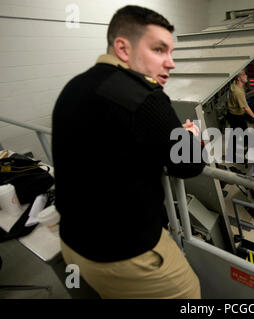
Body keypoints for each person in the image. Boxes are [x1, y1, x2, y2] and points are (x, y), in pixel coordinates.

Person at [52, 5, 205, 299]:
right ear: (123, 48)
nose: (170, 63)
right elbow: (189, 166)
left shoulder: (74, 86)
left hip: (72, 244)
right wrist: (190, 138)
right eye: (159, 50)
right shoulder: (145, 98)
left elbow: (114, 145)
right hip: (127, 255)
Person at [226, 70, 254, 162]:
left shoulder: (235, 84)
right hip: (236, 117)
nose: (246, 76)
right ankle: (241, 154)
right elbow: (246, 108)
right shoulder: (238, 92)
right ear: (239, 78)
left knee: (237, 135)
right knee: (242, 134)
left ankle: (233, 153)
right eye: (244, 75)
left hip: (232, 114)